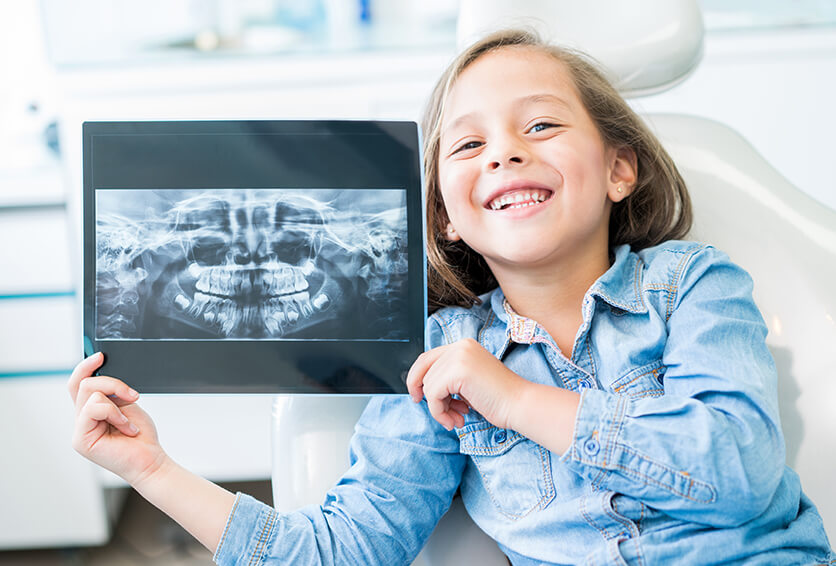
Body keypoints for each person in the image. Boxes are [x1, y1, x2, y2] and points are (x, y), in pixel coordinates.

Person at [68, 29, 834, 565]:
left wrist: (513, 398)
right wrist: (151, 469)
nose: (504, 150)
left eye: (540, 124)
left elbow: (741, 472)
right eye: (468, 145)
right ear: (445, 215)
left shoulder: (695, 287)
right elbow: (342, 553)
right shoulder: (434, 361)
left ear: (618, 170)